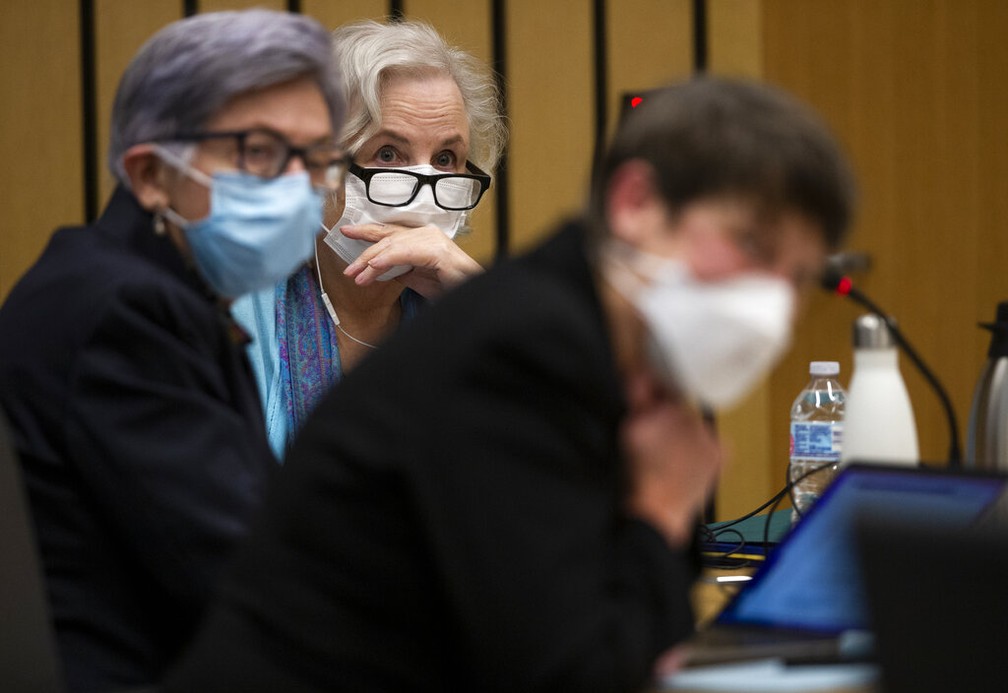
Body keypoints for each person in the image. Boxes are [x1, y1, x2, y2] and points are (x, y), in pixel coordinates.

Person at [163, 76, 855, 692]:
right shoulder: (524, 349)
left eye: (795, 277)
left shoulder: (601, 349)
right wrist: (661, 511)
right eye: (753, 248)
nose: (774, 305)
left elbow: (629, 637)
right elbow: (569, 674)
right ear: (636, 202)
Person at [0, 10, 345, 691]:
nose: (297, 187)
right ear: (152, 174)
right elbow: (246, 575)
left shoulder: (158, 290)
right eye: (258, 152)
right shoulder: (123, 310)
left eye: (316, 159)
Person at [231, 19, 507, 459]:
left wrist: (476, 299)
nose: (424, 183)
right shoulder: (233, 315)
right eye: (388, 153)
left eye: (445, 158)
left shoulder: (467, 318)